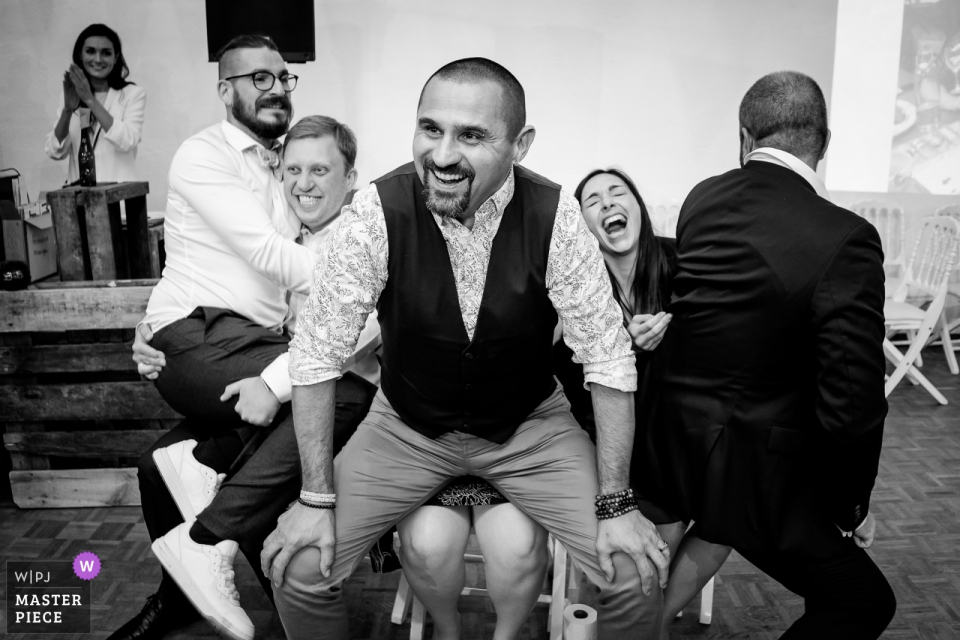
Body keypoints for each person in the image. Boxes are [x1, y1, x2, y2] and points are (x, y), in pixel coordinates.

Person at [260, 57, 671, 640]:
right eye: (431, 128)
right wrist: (314, 497)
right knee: (299, 564)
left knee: (631, 568)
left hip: (531, 426)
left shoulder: (557, 220)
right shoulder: (375, 214)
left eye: (471, 135)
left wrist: (616, 502)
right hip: (405, 425)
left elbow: (608, 360)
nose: (444, 154)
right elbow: (317, 355)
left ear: (520, 145)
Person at [109, 37, 372, 640]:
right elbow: (258, 254)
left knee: (157, 463)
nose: (275, 86)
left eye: (282, 76)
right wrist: (364, 279)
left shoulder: (283, 172)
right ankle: (213, 550)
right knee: (337, 391)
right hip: (200, 336)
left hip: (245, 344)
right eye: (257, 78)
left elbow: (258, 274)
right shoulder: (204, 154)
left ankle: (186, 586)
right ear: (225, 90)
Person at [652, 71, 896, 638]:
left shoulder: (703, 197)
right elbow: (853, 402)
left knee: (707, 532)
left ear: (744, 137)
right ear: (825, 142)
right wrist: (850, 506)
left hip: (671, 435)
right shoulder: (846, 237)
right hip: (755, 465)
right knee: (863, 603)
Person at [573, 168, 732, 639]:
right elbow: (563, 373)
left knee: (732, 512)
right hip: (619, 440)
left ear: (638, 207)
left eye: (618, 193)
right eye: (593, 201)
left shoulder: (681, 261)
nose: (607, 204)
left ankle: (654, 621)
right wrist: (619, 348)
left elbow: (720, 338)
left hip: (686, 425)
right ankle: (642, 621)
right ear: (583, 226)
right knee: (649, 545)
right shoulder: (577, 283)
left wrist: (676, 333)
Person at [45, 24, 146, 183]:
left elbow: (127, 141)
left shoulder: (132, 94)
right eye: (90, 51)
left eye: (106, 53)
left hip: (120, 199)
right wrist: (67, 110)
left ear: (116, 56)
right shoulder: (71, 95)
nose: (98, 59)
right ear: (80, 54)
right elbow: (55, 151)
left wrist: (90, 100)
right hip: (81, 200)